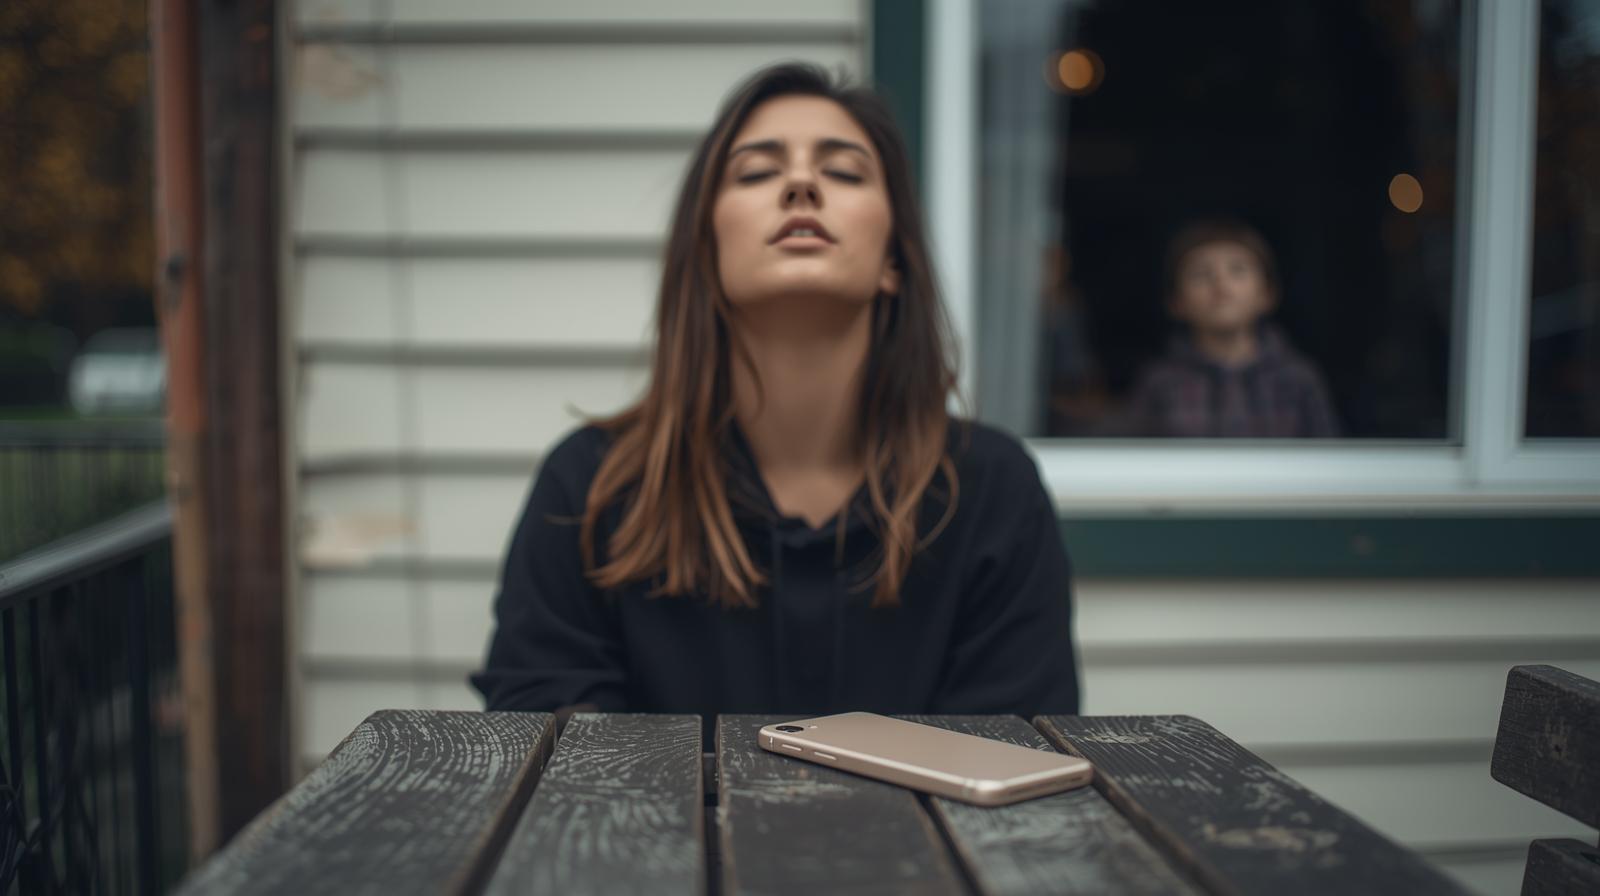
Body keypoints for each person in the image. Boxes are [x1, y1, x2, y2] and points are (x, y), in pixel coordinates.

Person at [470, 63, 1079, 746]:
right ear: (706, 252)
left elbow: (1014, 751)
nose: (801, 184)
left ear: (893, 261)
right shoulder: (588, 486)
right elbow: (543, 734)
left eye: (844, 172)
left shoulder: (994, 491)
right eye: (757, 172)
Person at [1109, 218, 1341, 438]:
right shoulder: (1159, 383)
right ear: (1176, 301)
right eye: (1201, 274)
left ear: (1267, 293)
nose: (1221, 284)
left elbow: (1328, 458)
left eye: (1237, 270)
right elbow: (1137, 459)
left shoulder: (1298, 379)